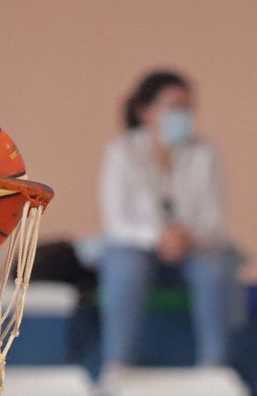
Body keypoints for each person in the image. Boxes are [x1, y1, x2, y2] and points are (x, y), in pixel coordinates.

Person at [97, 70, 240, 379]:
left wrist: (184, 238)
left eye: (189, 108)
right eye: (175, 107)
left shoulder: (205, 153)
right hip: (139, 248)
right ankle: (117, 365)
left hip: (194, 248)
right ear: (145, 112)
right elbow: (117, 221)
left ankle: (215, 366)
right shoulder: (122, 151)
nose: (184, 116)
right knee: (125, 263)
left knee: (216, 266)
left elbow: (214, 219)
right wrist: (158, 237)